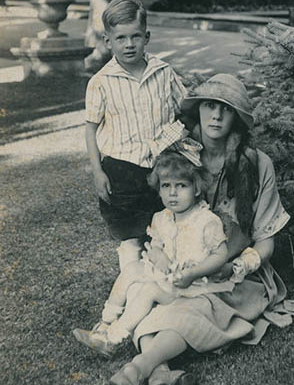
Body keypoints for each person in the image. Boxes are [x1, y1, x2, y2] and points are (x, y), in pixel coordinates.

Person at [109, 73, 294, 385]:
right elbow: (163, 222)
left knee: (192, 308)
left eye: (225, 110)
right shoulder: (180, 155)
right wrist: (160, 256)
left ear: (238, 119)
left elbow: (265, 244)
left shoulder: (257, 164)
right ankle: (162, 376)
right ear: (198, 110)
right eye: (210, 107)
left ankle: (136, 369)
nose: (216, 116)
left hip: (236, 275)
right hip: (181, 269)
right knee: (149, 299)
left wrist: (235, 266)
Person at [79, 0, 187, 340]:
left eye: (135, 36)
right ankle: (127, 303)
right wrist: (97, 171)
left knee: (163, 234)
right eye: (120, 38)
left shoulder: (163, 72)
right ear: (108, 41)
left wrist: (169, 143)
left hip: (162, 170)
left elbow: (185, 112)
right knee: (130, 241)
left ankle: (158, 302)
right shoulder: (101, 81)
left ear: (147, 37)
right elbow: (91, 128)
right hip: (121, 170)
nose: (128, 45)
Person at [73, 150, 235, 358]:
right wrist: (158, 254)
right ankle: (104, 323)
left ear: (196, 189)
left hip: (192, 285)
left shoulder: (206, 220)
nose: (173, 193)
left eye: (181, 186)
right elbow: (157, 244)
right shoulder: (161, 218)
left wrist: (193, 273)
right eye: (166, 186)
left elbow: (220, 255)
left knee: (149, 291)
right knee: (132, 270)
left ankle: (111, 339)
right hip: (166, 274)